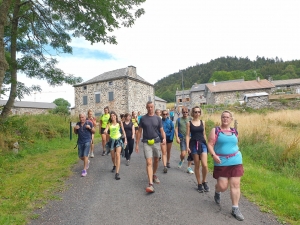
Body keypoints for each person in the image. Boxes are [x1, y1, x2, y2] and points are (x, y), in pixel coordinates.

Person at [207, 110, 244, 221]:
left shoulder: (234, 131)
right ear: (221, 118)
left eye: (227, 117)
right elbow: (210, 144)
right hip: (221, 161)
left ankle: (235, 208)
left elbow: (236, 143)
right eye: (223, 117)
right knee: (223, 186)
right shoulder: (216, 130)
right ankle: (217, 191)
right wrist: (213, 155)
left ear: (231, 119)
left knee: (235, 184)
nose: (225, 119)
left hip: (236, 160)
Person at [135, 101, 166, 193]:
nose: (150, 109)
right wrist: (137, 144)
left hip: (156, 141)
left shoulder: (158, 118)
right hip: (146, 142)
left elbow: (161, 130)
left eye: (151, 107)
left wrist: (164, 138)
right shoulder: (143, 119)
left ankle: (154, 174)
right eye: (148, 107)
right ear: (146, 107)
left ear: (153, 107)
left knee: (156, 160)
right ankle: (151, 184)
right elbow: (139, 132)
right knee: (149, 162)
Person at [186, 106, 210, 193]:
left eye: (198, 112)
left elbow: (204, 134)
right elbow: (188, 135)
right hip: (194, 144)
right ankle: (199, 184)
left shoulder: (203, 122)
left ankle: (204, 181)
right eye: (195, 112)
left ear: (200, 113)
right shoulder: (189, 123)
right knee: (197, 165)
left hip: (202, 144)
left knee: (205, 165)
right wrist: (187, 146)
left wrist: (207, 144)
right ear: (193, 113)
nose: (197, 113)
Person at [104, 111, 127, 180]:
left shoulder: (119, 123)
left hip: (118, 140)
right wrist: (105, 131)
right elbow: (106, 129)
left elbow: (123, 131)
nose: (113, 117)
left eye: (114, 115)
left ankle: (117, 173)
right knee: (113, 157)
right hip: (111, 141)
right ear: (110, 117)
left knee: (117, 155)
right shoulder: (109, 124)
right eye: (111, 116)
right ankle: (114, 165)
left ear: (116, 116)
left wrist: (125, 139)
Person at [74, 113, 95, 177]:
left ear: (85, 117)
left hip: (87, 141)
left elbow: (94, 131)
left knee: (85, 155)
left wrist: (90, 128)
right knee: (80, 156)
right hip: (80, 142)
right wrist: (75, 128)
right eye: (80, 117)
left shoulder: (89, 123)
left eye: (82, 117)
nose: (81, 119)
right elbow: (75, 133)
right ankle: (87, 162)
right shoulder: (78, 124)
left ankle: (84, 170)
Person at [175, 107, 194, 174]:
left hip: (190, 138)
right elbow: (176, 129)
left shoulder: (191, 119)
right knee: (183, 154)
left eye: (186, 112)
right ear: (182, 113)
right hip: (182, 138)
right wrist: (177, 137)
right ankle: (182, 160)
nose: (185, 113)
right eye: (184, 112)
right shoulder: (179, 120)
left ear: (188, 112)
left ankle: (189, 167)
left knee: (190, 153)